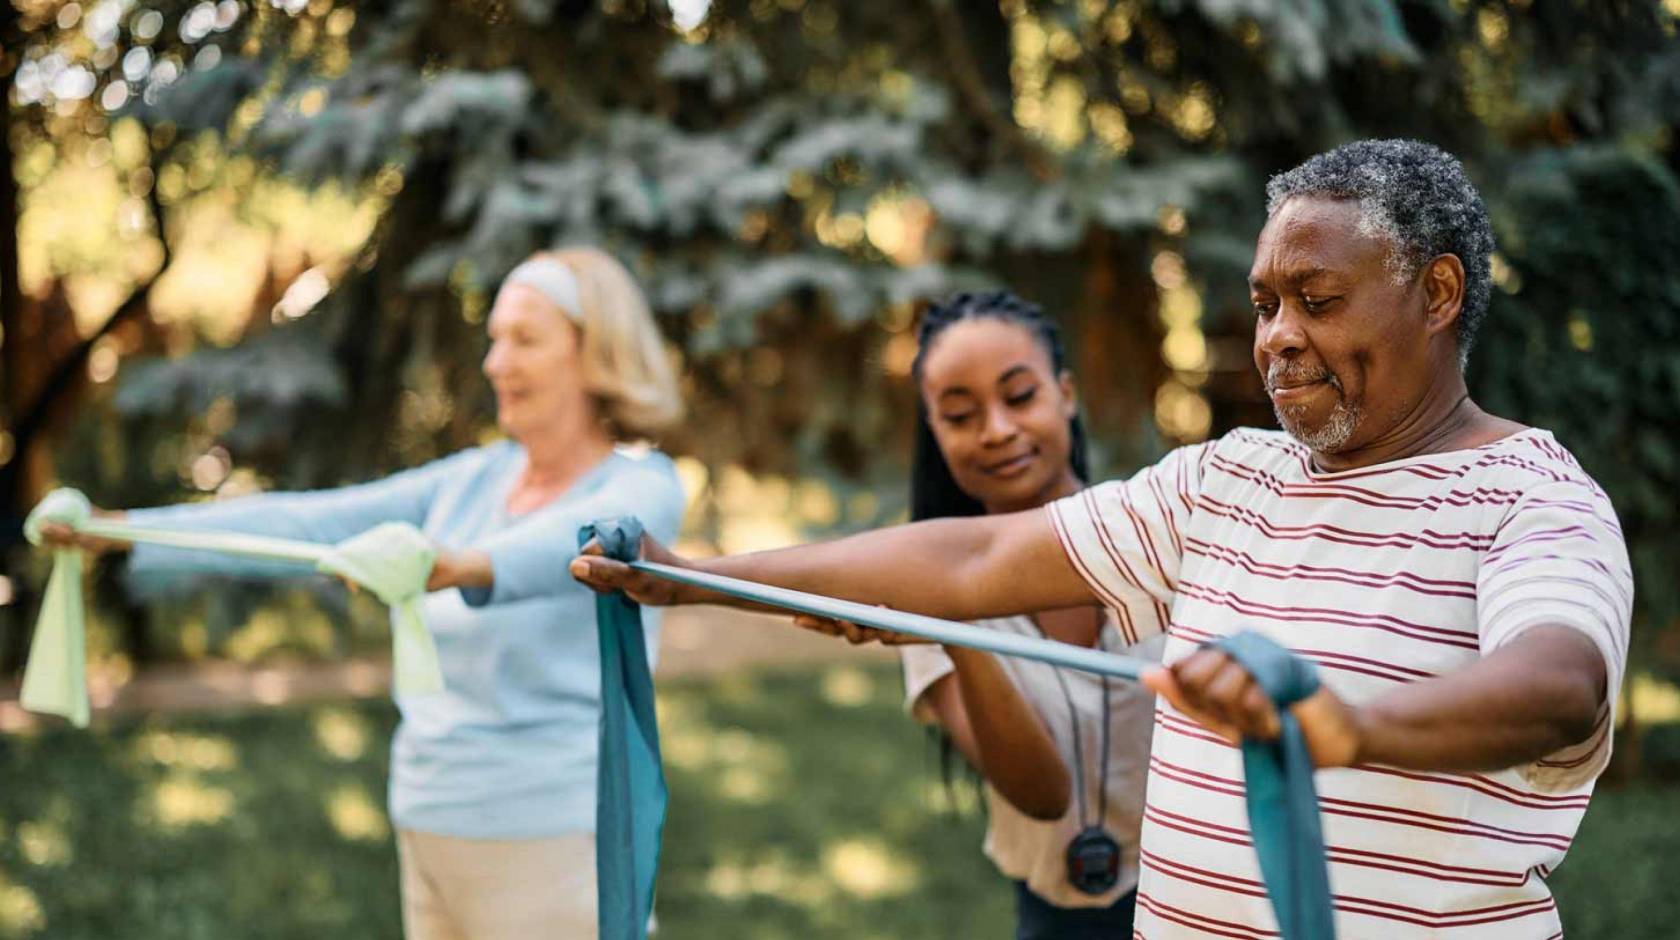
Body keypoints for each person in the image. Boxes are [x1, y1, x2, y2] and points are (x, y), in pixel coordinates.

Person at [573, 140, 1632, 937]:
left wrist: (1346, 723)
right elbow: (974, 560)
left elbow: (1558, 684)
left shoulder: (1533, 498)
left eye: (1317, 300)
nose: (1276, 338)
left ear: (1438, 292)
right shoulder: (1226, 478)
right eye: (1265, 303)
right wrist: (699, 578)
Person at [42, 247, 688, 940]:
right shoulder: (471, 481)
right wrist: (122, 531)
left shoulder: (641, 484)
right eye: (495, 339)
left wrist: (462, 565)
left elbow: (584, 542)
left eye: (526, 340)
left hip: (560, 845)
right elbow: (305, 521)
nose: (497, 363)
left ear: (596, 356)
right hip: (428, 829)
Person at [798, 289, 1159, 937]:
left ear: (1066, 395)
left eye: (1020, 397)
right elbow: (1042, 794)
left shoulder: (1154, 534)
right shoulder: (925, 596)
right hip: (1056, 917)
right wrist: (952, 623)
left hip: (1207, 891)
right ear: (934, 432)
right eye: (960, 414)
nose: (996, 430)